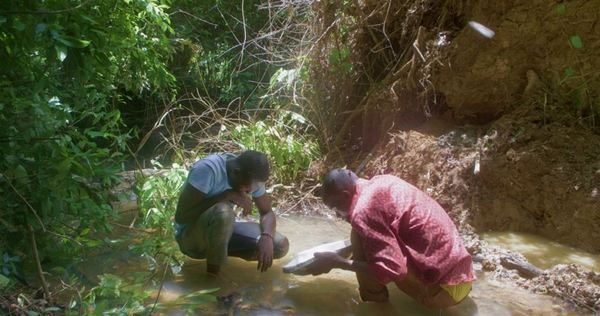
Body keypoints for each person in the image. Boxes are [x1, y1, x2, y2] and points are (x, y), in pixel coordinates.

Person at [305, 168, 475, 308]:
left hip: (446, 290)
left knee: (358, 238)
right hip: (463, 274)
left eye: (336, 207)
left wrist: (337, 262)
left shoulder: (362, 211)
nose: (337, 215)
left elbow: (394, 269)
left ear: (345, 195)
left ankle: (378, 308)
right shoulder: (381, 181)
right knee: (362, 237)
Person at [174, 150, 289, 274]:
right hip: (191, 239)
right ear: (236, 172)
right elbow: (181, 217)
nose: (250, 191)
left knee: (279, 245)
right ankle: (214, 280)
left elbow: (267, 213)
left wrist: (267, 237)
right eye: (248, 186)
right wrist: (224, 196)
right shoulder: (208, 170)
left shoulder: (250, 176)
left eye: (255, 187)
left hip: (221, 229)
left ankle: (219, 256)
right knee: (223, 212)